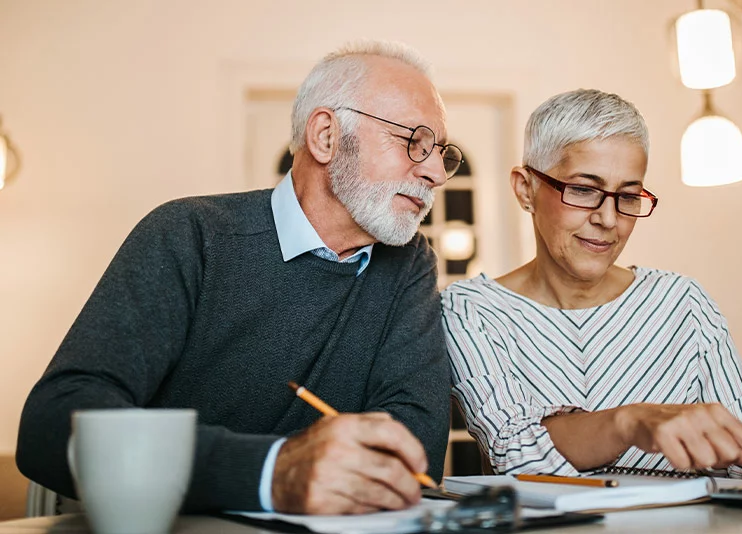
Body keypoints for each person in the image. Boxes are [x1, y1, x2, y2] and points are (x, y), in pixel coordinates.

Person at [17, 40, 464, 515]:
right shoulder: (191, 235)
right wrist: (272, 472)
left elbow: (412, 455)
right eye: (414, 140)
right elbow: (52, 425)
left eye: (440, 152)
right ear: (326, 137)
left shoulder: (409, 263)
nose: (436, 172)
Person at [442, 89, 742, 485]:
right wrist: (631, 421)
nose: (608, 218)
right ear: (525, 189)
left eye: (628, 195)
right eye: (583, 189)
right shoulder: (470, 311)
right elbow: (517, 456)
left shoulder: (683, 303)